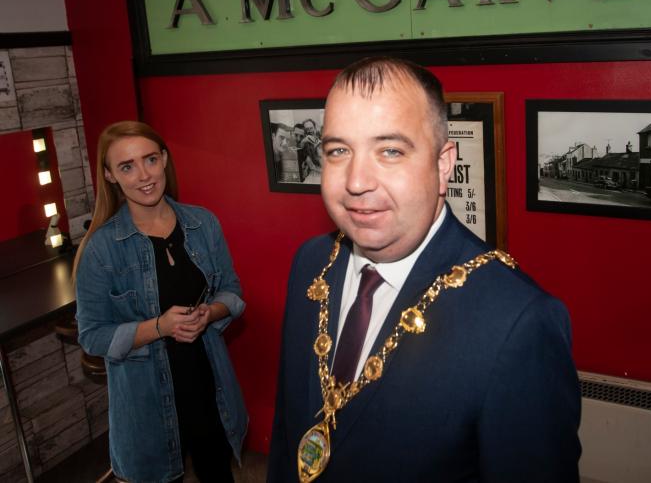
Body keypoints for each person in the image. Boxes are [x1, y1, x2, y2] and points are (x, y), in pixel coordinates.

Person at [267, 57, 580, 482]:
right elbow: (290, 434)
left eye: (390, 150)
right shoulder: (310, 263)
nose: (356, 181)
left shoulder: (517, 322)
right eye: (338, 151)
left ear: (443, 164)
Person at [73, 121, 248, 483]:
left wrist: (209, 312)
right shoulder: (101, 249)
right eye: (127, 167)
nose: (144, 175)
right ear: (110, 176)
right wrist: (160, 327)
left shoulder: (203, 223)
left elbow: (231, 290)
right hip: (145, 404)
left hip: (209, 387)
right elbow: (92, 336)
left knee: (218, 473)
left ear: (164, 159)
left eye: (150, 159)